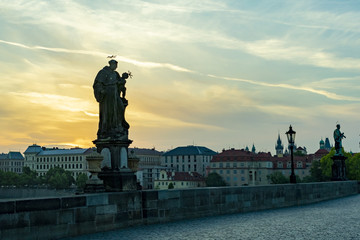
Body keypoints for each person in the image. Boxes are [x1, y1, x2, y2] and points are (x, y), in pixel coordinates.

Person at [93, 59, 129, 140]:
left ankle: (118, 126)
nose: (115, 67)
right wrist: (101, 90)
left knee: (120, 108)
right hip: (107, 96)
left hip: (115, 95)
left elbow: (120, 83)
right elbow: (97, 84)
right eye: (114, 65)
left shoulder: (116, 74)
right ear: (110, 64)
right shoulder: (103, 72)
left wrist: (123, 79)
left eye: (116, 65)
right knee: (108, 112)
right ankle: (107, 129)